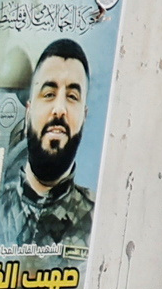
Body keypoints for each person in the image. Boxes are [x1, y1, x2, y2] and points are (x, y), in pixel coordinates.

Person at [8, 37, 98, 252]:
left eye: (72, 96)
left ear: (84, 117)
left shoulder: (99, 219)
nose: (59, 109)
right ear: (29, 112)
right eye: (49, 94)